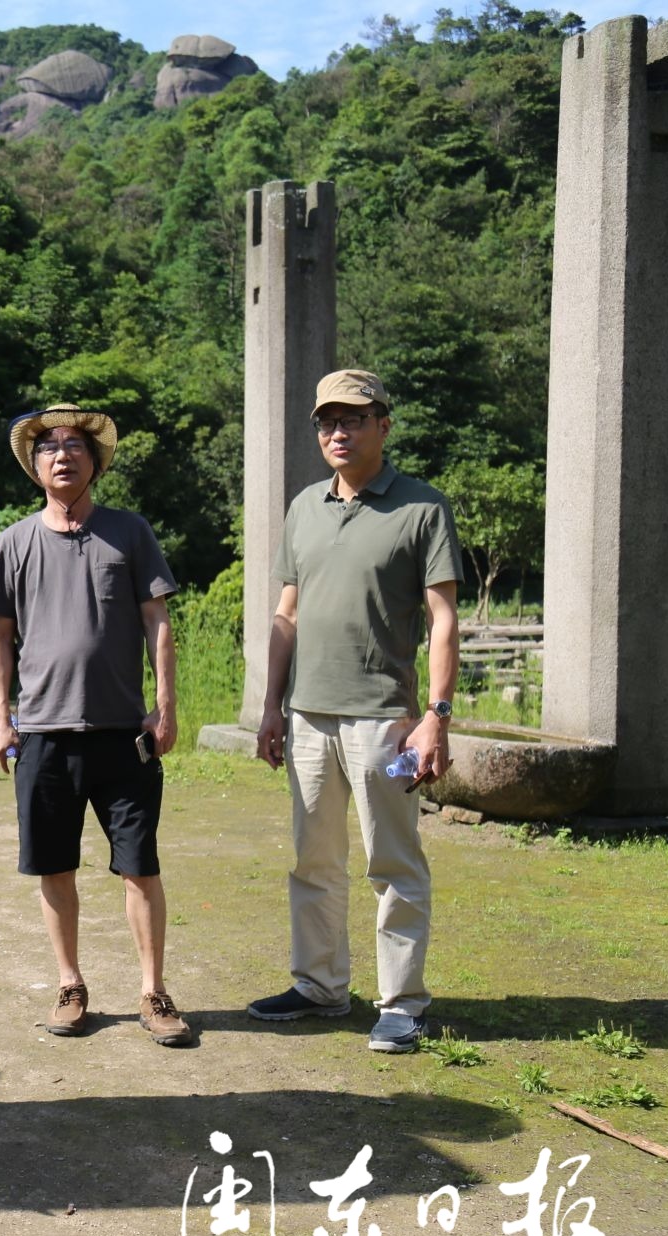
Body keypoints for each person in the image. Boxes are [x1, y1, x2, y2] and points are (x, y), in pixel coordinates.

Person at [249, 369, 463, 1054]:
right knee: (313, 859)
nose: (338, 431)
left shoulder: (422, 508)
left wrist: (436, 715)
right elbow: (288, 613)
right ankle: (319, 985)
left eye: (354, 419)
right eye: (327, 421)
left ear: (383, 426)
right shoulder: (304, 506)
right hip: (308, 714)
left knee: (393, 863)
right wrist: (270, 708)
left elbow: (444, 618)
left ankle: (402, 1002)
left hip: (386, 718)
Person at [0, 404, 193, 1047]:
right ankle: (70, 983)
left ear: (96, 463)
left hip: (124, 730)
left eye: (75, 446)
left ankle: (153, 990)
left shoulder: (128, 532)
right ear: (35, 467)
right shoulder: (13, 542)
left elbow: (157, 620)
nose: (62, 455)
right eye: (49, 448)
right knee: (54, 866)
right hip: (42, 732)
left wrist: (167, 705)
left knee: (140, 865)